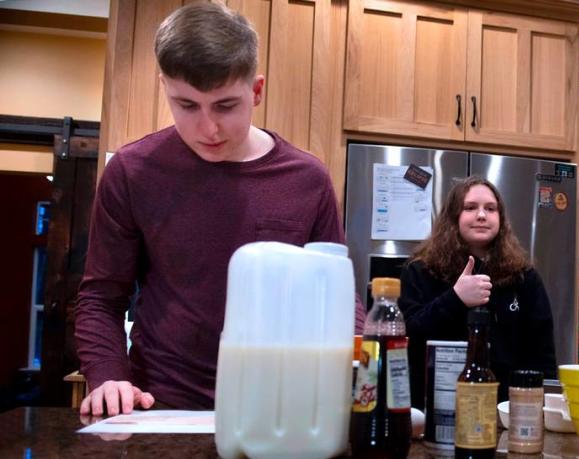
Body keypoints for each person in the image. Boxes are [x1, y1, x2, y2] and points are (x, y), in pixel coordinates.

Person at [75, 3, 363, 416]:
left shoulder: (307, 178)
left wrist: (358, 371)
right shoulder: (133, 171)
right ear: (165, 88)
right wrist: (107, 376)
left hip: (279, 407)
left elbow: (336, 296)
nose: (208, 129)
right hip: (162, 405)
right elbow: (101, 297)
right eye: (187, 106)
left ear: (257, 91)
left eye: (225, 106)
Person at [399, 176, 557, 407]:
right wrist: (455, 299)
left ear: (501, 219)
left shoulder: (524, 277)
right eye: (470, 207)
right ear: (453, 218)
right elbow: (405, 338)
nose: (481, 215)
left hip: (506, 411)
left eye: (490, 209)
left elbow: (543, 356)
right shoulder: (420, 270)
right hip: (434, 408)